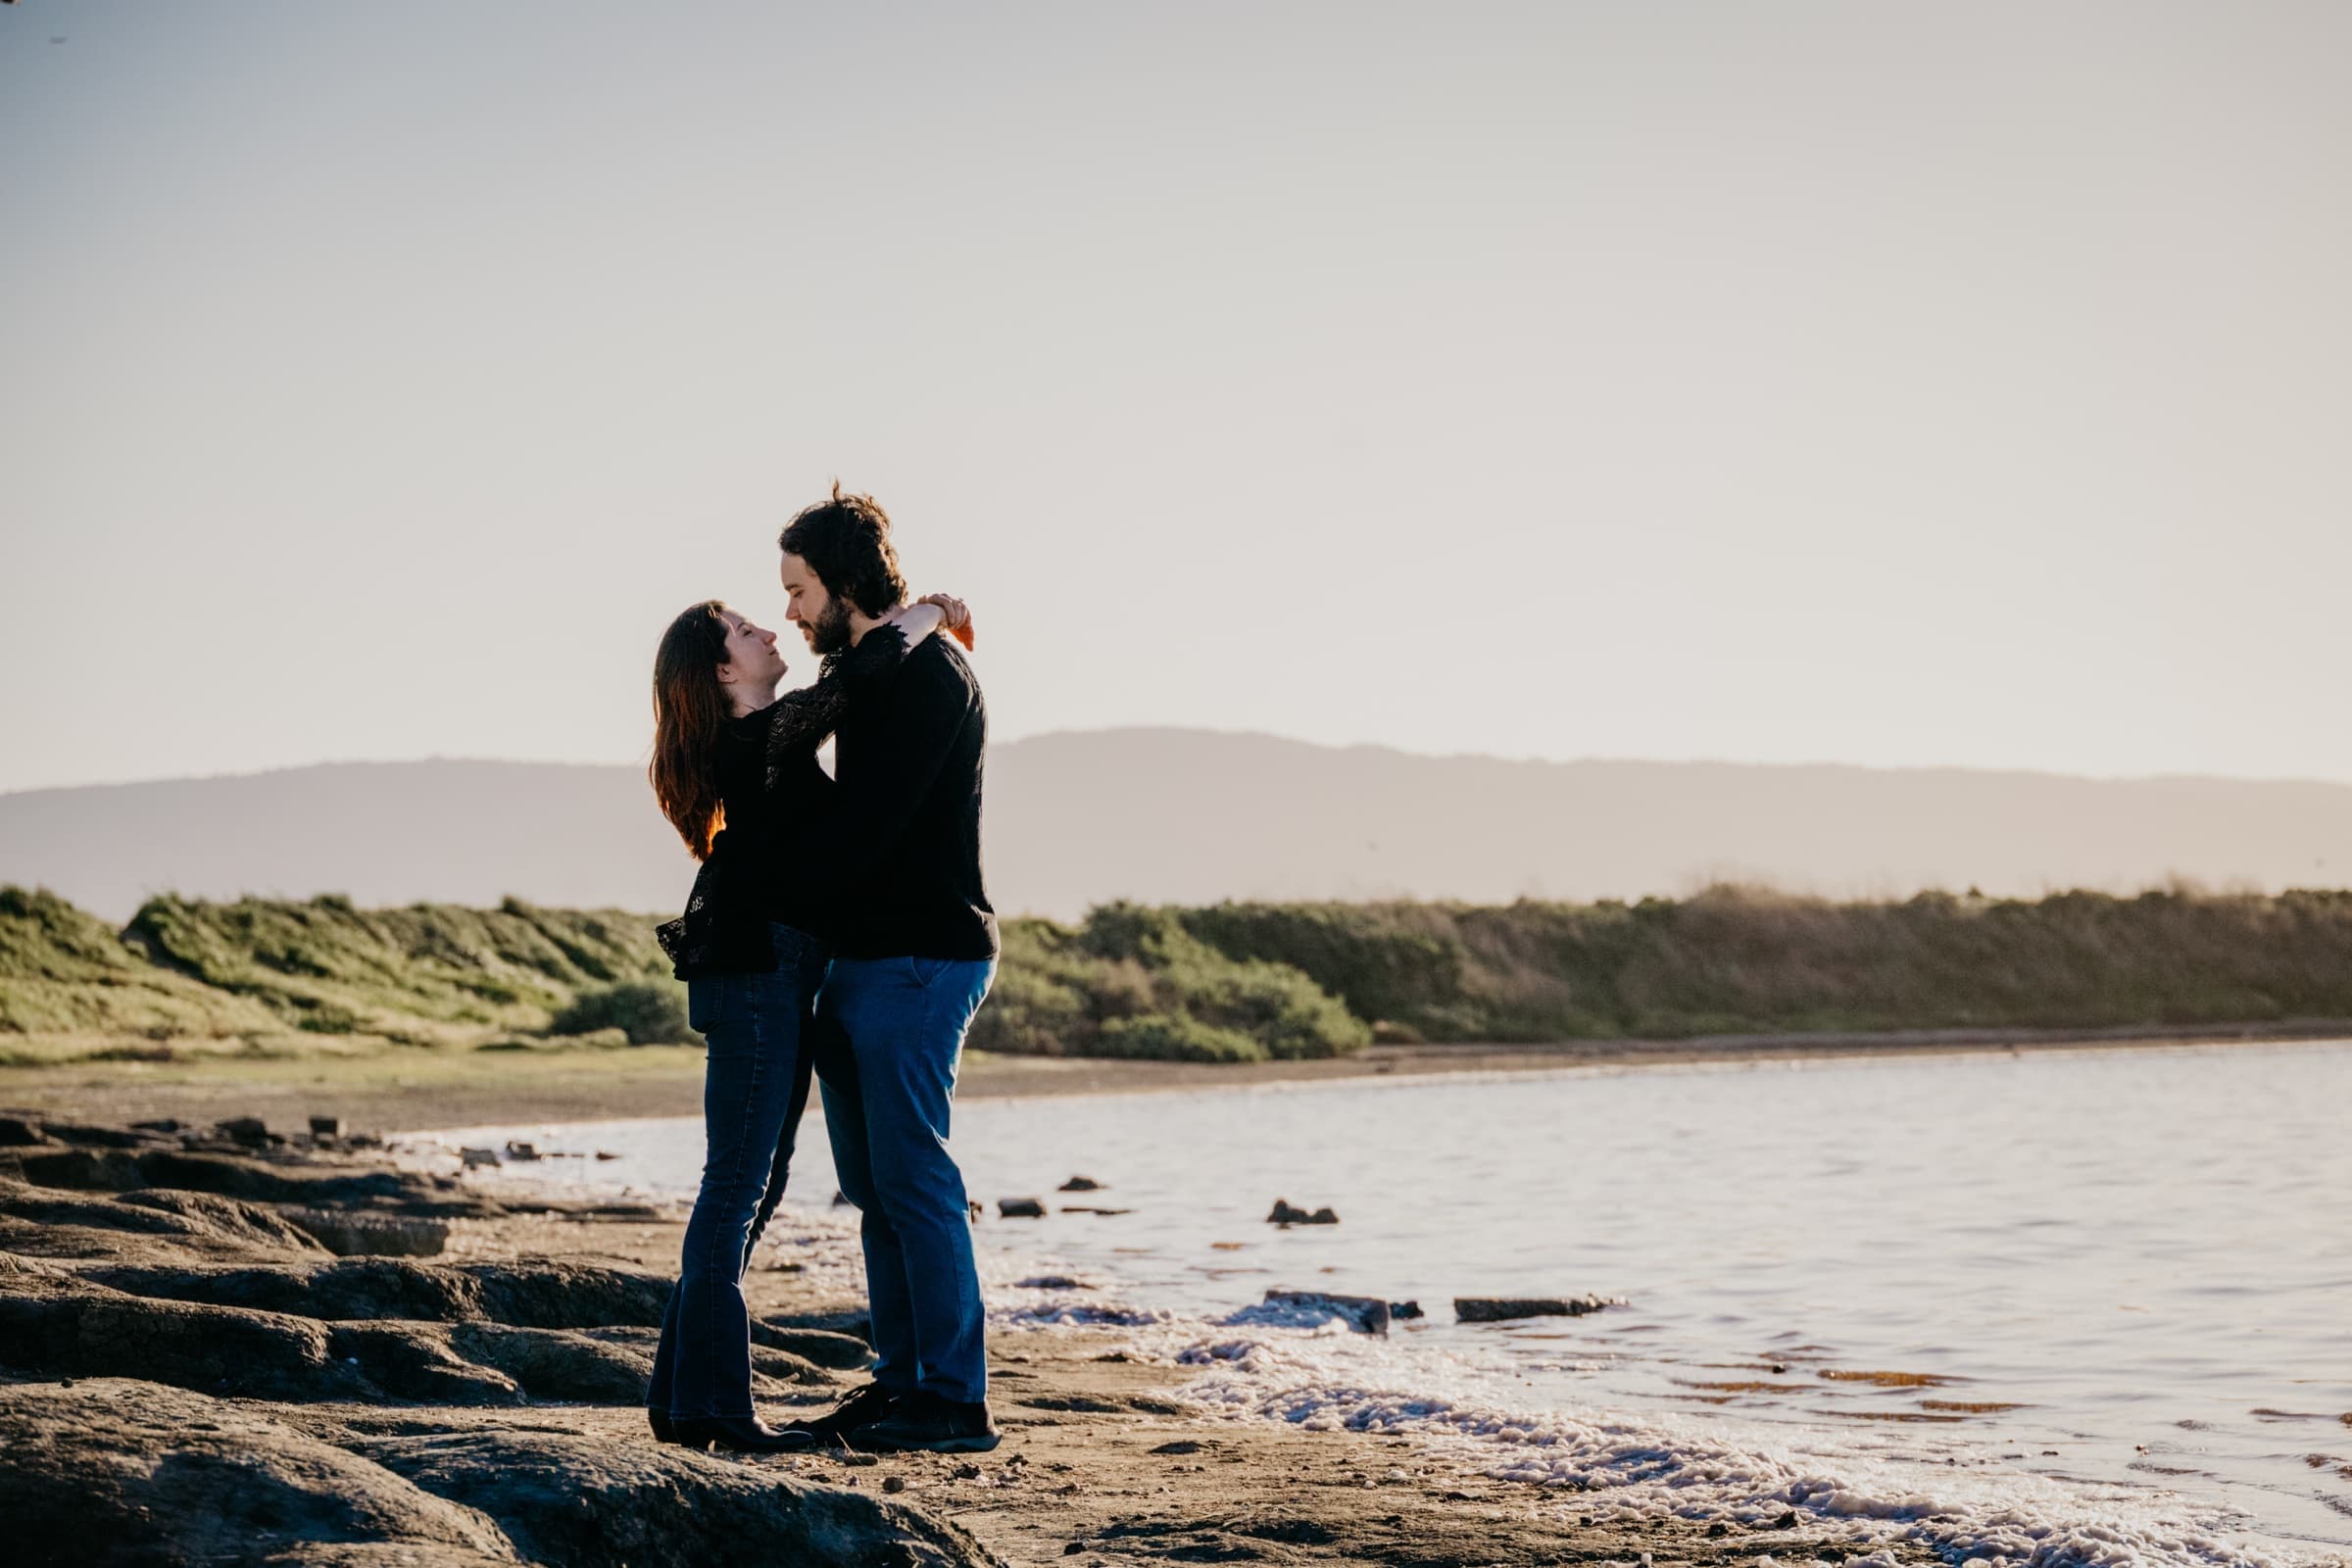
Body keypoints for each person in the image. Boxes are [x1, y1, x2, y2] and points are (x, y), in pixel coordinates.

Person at [639, 585, 966, 1453]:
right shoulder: (759, 737)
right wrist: (933, 614)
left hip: (767, 975)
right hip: (757, 977)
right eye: (746, 630)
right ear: (723, 672)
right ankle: (718, 1412)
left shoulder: (760, 744)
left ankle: (682, 1402)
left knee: (751, 1186)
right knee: (737, 1189)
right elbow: (858, 678)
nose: (767, 627)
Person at [772, 485, 1002, 1454]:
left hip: (921, 957)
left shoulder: (927, 675)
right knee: (875, 1187)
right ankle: (904, 1378)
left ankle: (954, 1398)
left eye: (797, 589)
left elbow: (869, 829)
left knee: (915, 1180)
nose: (789, 610)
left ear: (842, 583)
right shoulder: (881, 669)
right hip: (868, 962)